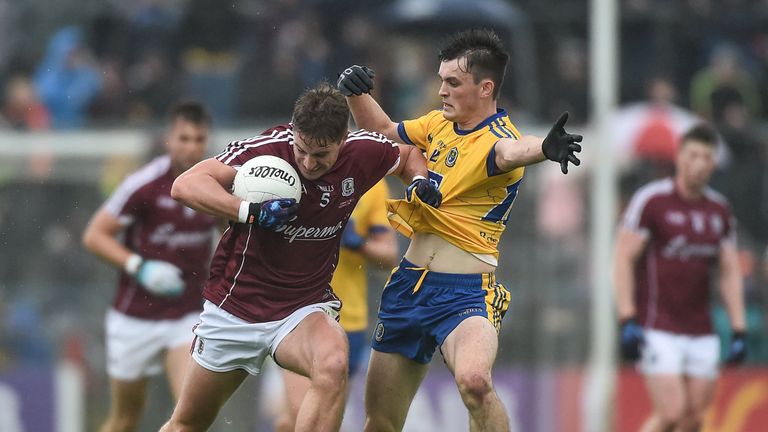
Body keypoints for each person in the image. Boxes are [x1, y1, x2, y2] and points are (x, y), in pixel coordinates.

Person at [337, 28, 583, 431]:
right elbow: (382, 134)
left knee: (475, 383)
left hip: (465, 295)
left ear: (485, 88)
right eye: (441, 80)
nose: (441, 91)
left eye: (452, 83)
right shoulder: (437, 123)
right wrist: (356, 93)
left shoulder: (500, 141)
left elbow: (514, 151)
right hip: (408, 287)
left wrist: (545, 148)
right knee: (380, 421)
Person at [160, 82, 438, 432]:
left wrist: (418, 181)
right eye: (301, 149)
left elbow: (409, 155)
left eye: (321, 155)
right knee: (186, 424)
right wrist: (250, 211)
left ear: (342, 140)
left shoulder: (363, 152)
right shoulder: (265, 152)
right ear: (293, 132)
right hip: (236, 309)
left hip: (301, 309)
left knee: (333, 361)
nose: (308, 163)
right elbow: (184, 185)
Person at [81, 102, 216, 432]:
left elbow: (231, 237)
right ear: (169, 140)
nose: (191, 147)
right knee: (125, 419)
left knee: (191, 416)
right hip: (134, 317)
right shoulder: (143, 184)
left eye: (198, 139)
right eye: (183, 138)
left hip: (186, 316)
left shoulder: (217, 181)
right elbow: (95, 236)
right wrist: (140, 267)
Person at [613, 124, 747, 432]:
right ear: (680, 158)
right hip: (657, 326)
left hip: (701, 329)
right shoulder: (652, 201)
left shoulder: (720, 211)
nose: (699, 163)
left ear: (713, 163)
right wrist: (626, 317)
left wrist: (738, 329)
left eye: (706, 157)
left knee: (694, 420)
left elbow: (728, 272)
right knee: (671, 413)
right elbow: (622, 259)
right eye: (693, 155)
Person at [274, 180, 398, 431]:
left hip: (348, 319)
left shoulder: (372, 183)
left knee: (320, 423)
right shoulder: (296, 173)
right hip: (298, 311)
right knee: (303, 415)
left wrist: (357, 243)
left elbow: (389, 256)